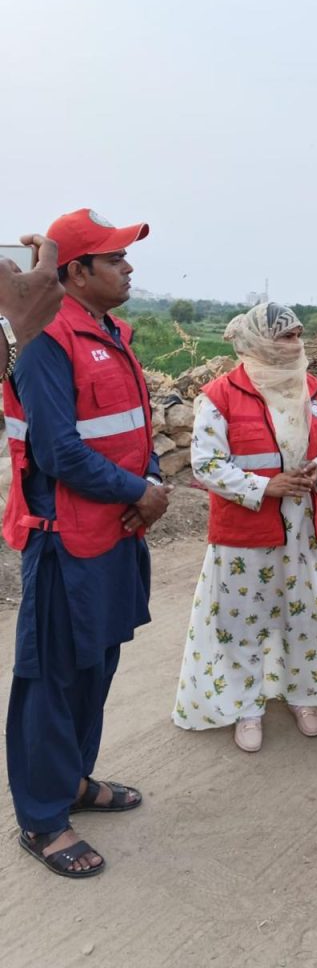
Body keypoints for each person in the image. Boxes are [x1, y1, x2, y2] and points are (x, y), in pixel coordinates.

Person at [2, 208, 171, 878]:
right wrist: (138, 492)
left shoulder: (112, 332)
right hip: (64, 542)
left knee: (96, 665)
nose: (129, 268)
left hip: (115, 533)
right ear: (75, 272)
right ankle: (42, 820)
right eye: (116, 259)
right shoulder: (45, 339)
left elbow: (132, 427)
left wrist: (150, 481)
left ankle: (72, 781)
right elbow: (57, 450)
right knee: (52, 677)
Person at [172, 302, 317, 751]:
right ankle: (246, 705)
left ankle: (304, 694)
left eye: (297, 335)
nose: (295, 344)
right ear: (258, 341)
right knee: (243, 622)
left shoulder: (315, 393)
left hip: (303, 528)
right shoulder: (221, 395)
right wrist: (264, 486)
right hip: (246, 530)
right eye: (284, 336)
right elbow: (206, 462)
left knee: (302, 614)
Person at [0, 234, 65, 376]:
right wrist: (16, 326)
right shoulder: (46, 332)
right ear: (77, 271)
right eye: (114, 261)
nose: (126, 268)